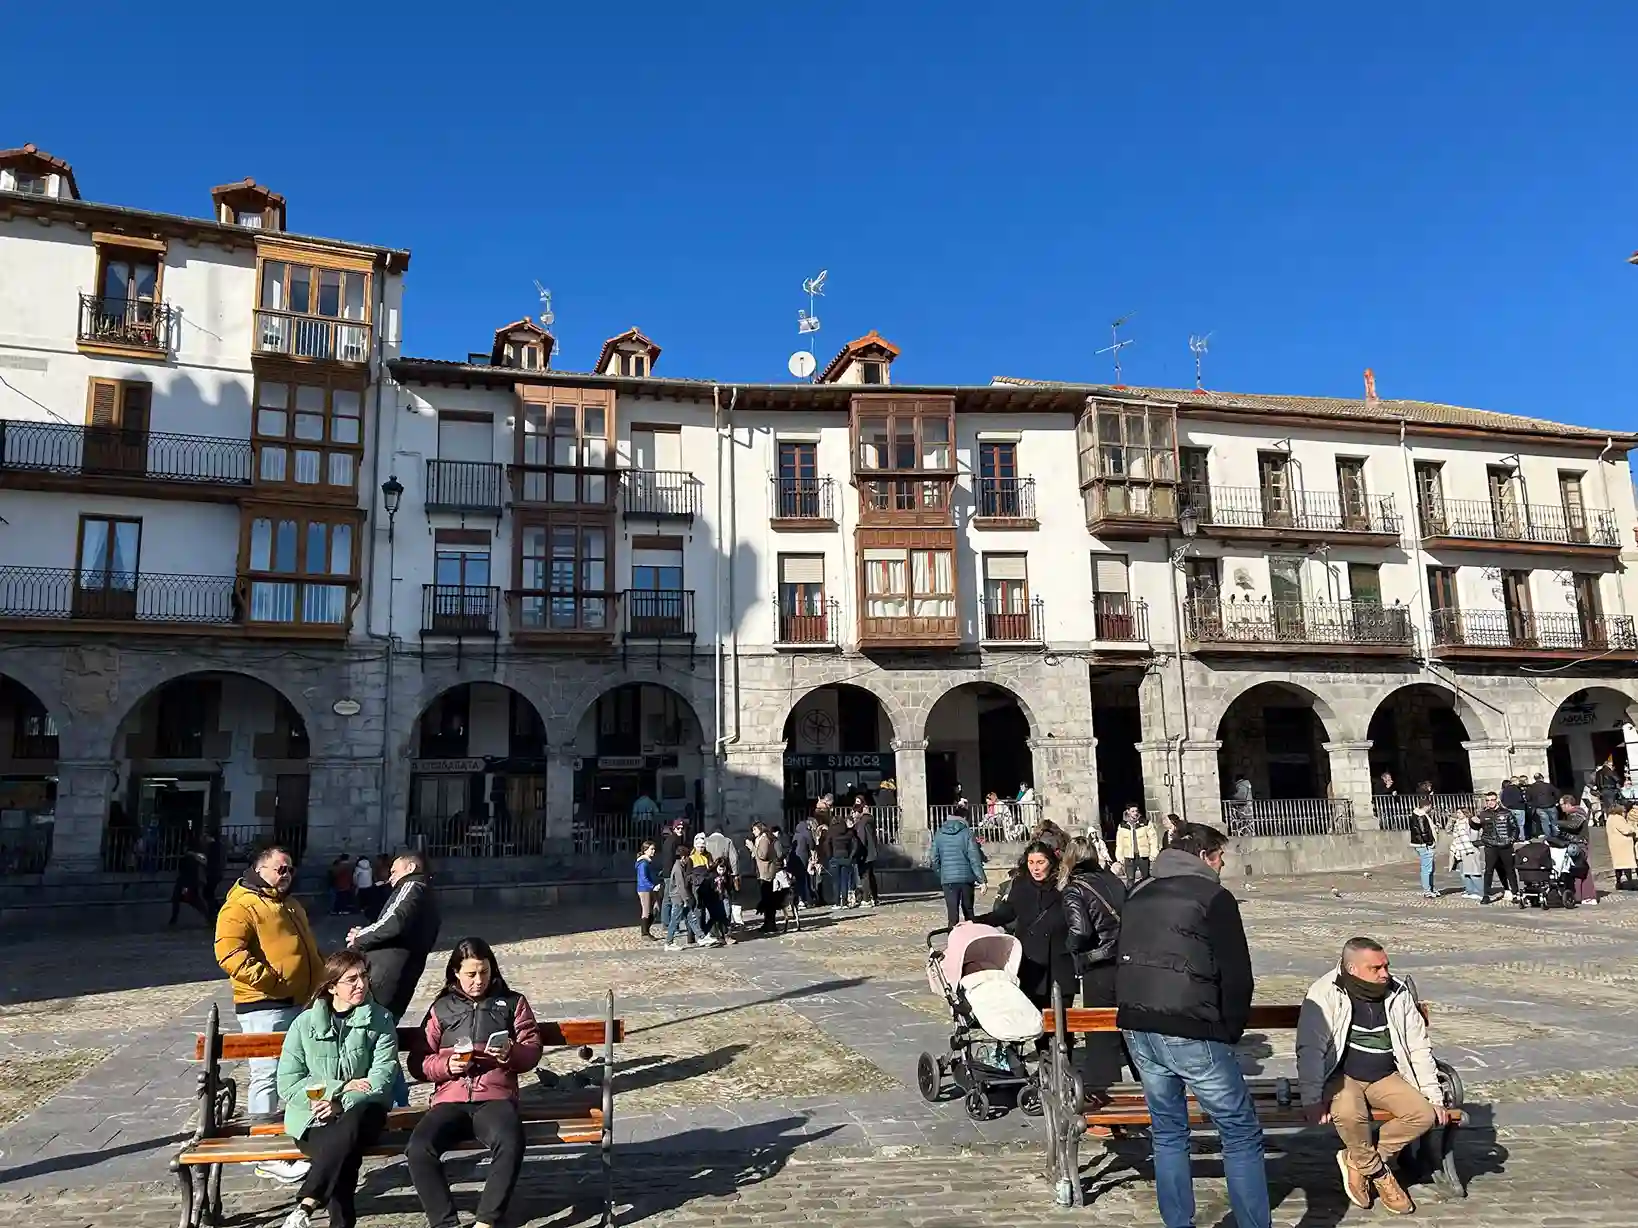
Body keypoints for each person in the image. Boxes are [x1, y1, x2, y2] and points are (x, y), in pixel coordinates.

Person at [1115, 823, 1267, 1228]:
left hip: (1139, 1024)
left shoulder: (1139, 891)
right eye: (1219, 856)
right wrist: (1229, 1030)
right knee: (1239, 1130)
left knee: (1167, 1130)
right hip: (1192, 1025)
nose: (1222, 865)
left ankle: (1178, 1223)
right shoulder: (1213, 896)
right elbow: (1237, 974)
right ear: (1203, 855)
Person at [1296, 938, 1446, 1216]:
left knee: (1423, 1115)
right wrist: (1311, 1097)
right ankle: (1380, 1175)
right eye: (1375, 968)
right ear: (1352, 968)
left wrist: (1434, 1095)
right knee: (1349, 1113)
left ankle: (1356, 1160)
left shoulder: (1397, 992)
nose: (1384, 973)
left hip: (1385, 1075)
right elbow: (1310, 1050)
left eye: (1386, 965)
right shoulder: (1324, 992)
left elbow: (1418, 1046)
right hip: (1342, 1076)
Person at [407, 937, 543, 1228]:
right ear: (455, 972)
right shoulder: (441, 1008)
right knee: (419, 1148)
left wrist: (510, 1053)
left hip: (494, 1097)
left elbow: (531, 1050)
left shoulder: (512, 1003)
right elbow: (418, 1061)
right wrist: (447, 1065)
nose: (478, 980)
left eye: (484, 972)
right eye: (470, 974)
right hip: (450, 1099)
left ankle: (486, 1221)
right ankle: (444, 1223)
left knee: (510, 1140)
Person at [215, 842, 323, 1171]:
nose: (287, 874)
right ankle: (266, 1153)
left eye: (290, 869)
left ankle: (293, 1140)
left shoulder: (287, 904)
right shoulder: (241, 905)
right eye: (281, 869)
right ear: (260, 869)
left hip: (297, 1002)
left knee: (293, 1074)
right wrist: (271, 982)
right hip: (264, 1005)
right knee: (266, 1074)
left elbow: (306, 951)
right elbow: (229, 953)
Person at [272, 950, 397, 1228]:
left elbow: (383, 1077)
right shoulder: (304, 1024)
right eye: (351, 979)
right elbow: (288, 1082)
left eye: (364, 976)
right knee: (343, 1151)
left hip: (365, 1111)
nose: (361, 984)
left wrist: (342, 1102)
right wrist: (337, 1089)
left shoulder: (381, 1019)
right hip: (312, 1117)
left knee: (349, 1128)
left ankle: (306, 1203)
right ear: (331, 986)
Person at [1060, 835, 1127, 1093]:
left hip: (1099, 963)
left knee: (1100, 1035)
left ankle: (1106, 1095)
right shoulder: (1113, 880)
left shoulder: (1075, 889)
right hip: (1126, 959)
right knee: (1129, 1031)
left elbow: (1080, 930)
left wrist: (1070, 951)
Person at [979, 840, 1074, 1012]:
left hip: (1059, 960)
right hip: (1031, 961)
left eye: (1040, 862)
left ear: (1050, 862)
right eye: (1031, 862)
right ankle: (1043, 1040)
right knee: (1038, 1018)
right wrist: (975, 921)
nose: (1035, 868)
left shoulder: (1064, 885)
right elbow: (1005, 914)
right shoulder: (1021, 885)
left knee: (1062, 1018)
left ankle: (1063, 1040)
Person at [929, 801, 986, 926]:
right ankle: (970, 941)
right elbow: (974, 858)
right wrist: (982, 880)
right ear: (965, 818)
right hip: (966, 879)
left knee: (952, 916)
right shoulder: (967, 833)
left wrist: (943, 873)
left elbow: (933, 859)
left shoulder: (939, 833)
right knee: (969, 914)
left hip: (948, 880)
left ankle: (953, 941)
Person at [664, 837, 715, 951]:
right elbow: (680, 885)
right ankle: (669, 942)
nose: (688, 860)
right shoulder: (678, 868)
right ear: (683, 857)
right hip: (678, 898)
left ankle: (701, 937)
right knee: (675, 920)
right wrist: (686, 899)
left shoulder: (680, 866)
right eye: (687, 857)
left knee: (691, 918)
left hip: (680, 897)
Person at [1471, 791, 1518, 904]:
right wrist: (1472, 822)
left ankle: (1515, 893)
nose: (1490, 802)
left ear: (1496, 800)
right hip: (1490, 845)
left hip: (1505, 845)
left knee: (1510, 870)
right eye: (1487, 800)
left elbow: (1515, 828)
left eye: (1492, 800)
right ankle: (1486, 895)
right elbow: (1476, 826)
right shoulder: (1483, 814)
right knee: (1489, 870)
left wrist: (1511, 840)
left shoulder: (1506, 812)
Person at [1557, 794, 1596, 905]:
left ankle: (1589, 896)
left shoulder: (1578, 813)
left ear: (1568, 804)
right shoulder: (1571, 814)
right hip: (1572, 844)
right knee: (1574, 870)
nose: (1561, 807)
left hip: (1580, 844)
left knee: (1583, 869)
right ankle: (1577, 895)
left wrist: (1557, 823)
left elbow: (1574, 825)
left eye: (1562, 805)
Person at [170, 828, 213, 926]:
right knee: (187, 898)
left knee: (190, 898)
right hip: (188, 880)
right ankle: (208, 917)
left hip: (188, 881)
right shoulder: (194, 853)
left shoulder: (193, 854)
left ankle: (208, 917)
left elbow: (199, 863)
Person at [820, 807, 858, 908]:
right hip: (845, 857)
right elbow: (855, 845)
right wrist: (851, 856)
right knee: (844, 880)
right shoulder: (848, 832)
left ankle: (837, 902)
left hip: (834, 858)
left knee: (835, 882)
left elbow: (826, 844)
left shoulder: (831, 833)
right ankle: (844, 902)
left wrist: (830, 855)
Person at [747, 822, 779, 932]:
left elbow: (762, 855)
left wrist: (752, 847)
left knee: (768, 899)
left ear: (760, 829)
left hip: (766, 873)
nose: (753, 832)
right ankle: (768, 923)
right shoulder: (761, 839)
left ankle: (770, 924)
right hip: (763, 872)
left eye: (755, 829)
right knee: (767, 899)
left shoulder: (764, 839)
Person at [1114, 806, 1157, 886]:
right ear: (1128, 811)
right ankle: (1130, 895)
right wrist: (1119, 856)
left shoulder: (1145, 823)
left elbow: (1152, 838)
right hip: (1129, 855)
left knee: (1146, 878)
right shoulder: (1122, 825)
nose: (1135, 813)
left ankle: (1148, 894)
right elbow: (1119, 842)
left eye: (1136, 811)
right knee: (1130, 879)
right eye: (1133, 811)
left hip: (1142, 854)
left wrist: (1153, 852)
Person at [1447, 808, 1483, 900]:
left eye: (1459, 812)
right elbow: (1448, 830)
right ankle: (1470, 890)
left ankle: (1480, 892)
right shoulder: (1457, 823)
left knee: (1473, 872)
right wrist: (1450, 821)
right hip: (1460, 850)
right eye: (1457, 813)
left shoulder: (1469, 822)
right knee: (1464, 873)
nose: (1457, 814)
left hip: (1469, 849)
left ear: (1465, 813)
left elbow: (1478, 825)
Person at [1407, 799, 1438, 899]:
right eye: (1430, 806)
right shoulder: (1421, 816)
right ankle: (1427, 891)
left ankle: (1430, 888)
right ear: (1427, 806)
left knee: (1429, 868)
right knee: (1427, 869)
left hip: (1420, 844)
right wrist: (1430, 842)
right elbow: (1423, 831)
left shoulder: (1416, 815)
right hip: (1423, 844)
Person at [851, 800, 880, 908]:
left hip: (865, 852)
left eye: (854, 813)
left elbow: (862, 839)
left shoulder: (862, 823)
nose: (853, 815)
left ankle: (866, 899)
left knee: (865, 876)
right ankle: (875, 898)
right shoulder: (869, 820)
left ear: (858, 812)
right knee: (870, 875)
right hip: (871, 851)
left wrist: (858, 853)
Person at [1606, 802, 1637, 891]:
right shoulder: (1618, 818)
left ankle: (1618, 882)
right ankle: (1630, 883)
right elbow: (1626, 830)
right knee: (1627, 865)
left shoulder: (1610, 818)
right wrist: (1632, 828)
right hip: (1623, 845)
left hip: (1615, 844)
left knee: (1618, 866)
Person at [635, 840, 662, 939]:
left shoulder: (648, 862)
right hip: (644, 889)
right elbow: (643, 878)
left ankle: (646, 930)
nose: (653, 851)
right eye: (651, 849)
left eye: (654, 849)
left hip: (650, 888)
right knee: (646, 911)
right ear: (645, 850)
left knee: (656, 909)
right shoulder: (643, 863)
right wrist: (653, 886)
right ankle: (645, 933)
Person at [1526, 772, 1559, 841]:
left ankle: (1548, 838)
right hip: (1551, 806)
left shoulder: (1531, 787)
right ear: (1542, 778)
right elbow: (1557, 793)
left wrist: (1533, 804)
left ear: (1535, 779)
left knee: (1545, 823)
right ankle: (1556, 836)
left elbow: (1528, 798)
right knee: (1554, 822)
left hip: (1540, 808)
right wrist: (1556, 801)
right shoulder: (1548, 785)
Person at [1500, 776, 1528, 840]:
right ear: (1515, 781)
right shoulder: (1517, 788)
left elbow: (1503, 800)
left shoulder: (1505, 789)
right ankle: (1521, 838)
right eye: (1518, 781)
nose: (1519, 782)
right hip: (1519, 808)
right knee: (1520, 825)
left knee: (1512, 825)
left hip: (1510, 809)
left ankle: (1514, 838)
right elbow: (1520, 798)